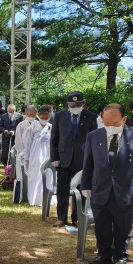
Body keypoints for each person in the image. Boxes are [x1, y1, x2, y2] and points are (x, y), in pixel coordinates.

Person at [81, 103, 133, 264]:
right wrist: (86, 185)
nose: (110, 126)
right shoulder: (93, 136)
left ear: (124, 119)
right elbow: (88, 163)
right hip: (100, 188)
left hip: (125, 189)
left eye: (115, 123)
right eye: (106, 123)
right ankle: (103, 254)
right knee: (101, 225)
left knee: (123, 225)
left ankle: (120, 256)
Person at [50, 91, 97, 227]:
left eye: (77, 105)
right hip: (64, 158)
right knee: (62, 189)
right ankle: (62, 217)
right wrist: (55, 158)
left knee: (82, 189)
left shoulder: (90, 116)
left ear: (83, 103)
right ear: (68, 104)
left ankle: (78, 217)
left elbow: (94, 139)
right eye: (72, 105)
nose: (74, 108)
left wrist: (91, 160)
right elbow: (54, 138)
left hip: (82, 159)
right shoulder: (60, 116)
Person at [23, 105, 53, 206]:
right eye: (42, 117)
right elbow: (28, 143)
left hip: (47, 153)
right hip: (35, 154)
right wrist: (27, 158)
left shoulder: (51, 127)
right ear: (38, 116)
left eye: (46, 118)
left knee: (47, 174)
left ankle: (47, 197)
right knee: (35, 174)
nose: (44, 119)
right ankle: (35, 198)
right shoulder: (33, 127)